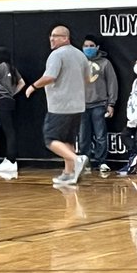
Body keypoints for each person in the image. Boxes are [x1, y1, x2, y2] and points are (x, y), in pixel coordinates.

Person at [25, 26, 90, 186]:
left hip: (60, 106)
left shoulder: (57, 55)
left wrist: (33, 86)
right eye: (51, 36)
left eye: (56, 36)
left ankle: (77, 159)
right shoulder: (80, 55)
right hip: (77, 106)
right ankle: (68, 173)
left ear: (65, 38)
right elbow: (88, 79)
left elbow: (50, 77)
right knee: (67, 140)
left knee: (50, 139)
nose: (51, 39)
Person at [78, 34, 118, 173]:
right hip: (81, 105)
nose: (88, 48)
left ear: (97, 47)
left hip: (99, 104)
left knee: (100, 135)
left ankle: (102, 161)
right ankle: (85, 162)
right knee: (83, 136)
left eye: (91, 46)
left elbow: (112, 83)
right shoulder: (78, 62)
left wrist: (111, 103)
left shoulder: (105, 63)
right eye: (86, 46)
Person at [0, 46, 24, 175]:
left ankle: (11, 160)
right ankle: (10, 159)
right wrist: (12, 93)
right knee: (9, 130)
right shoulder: (11, 67)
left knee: (8, 130)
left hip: (1, 100)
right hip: (9, 100)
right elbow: (22, 82)